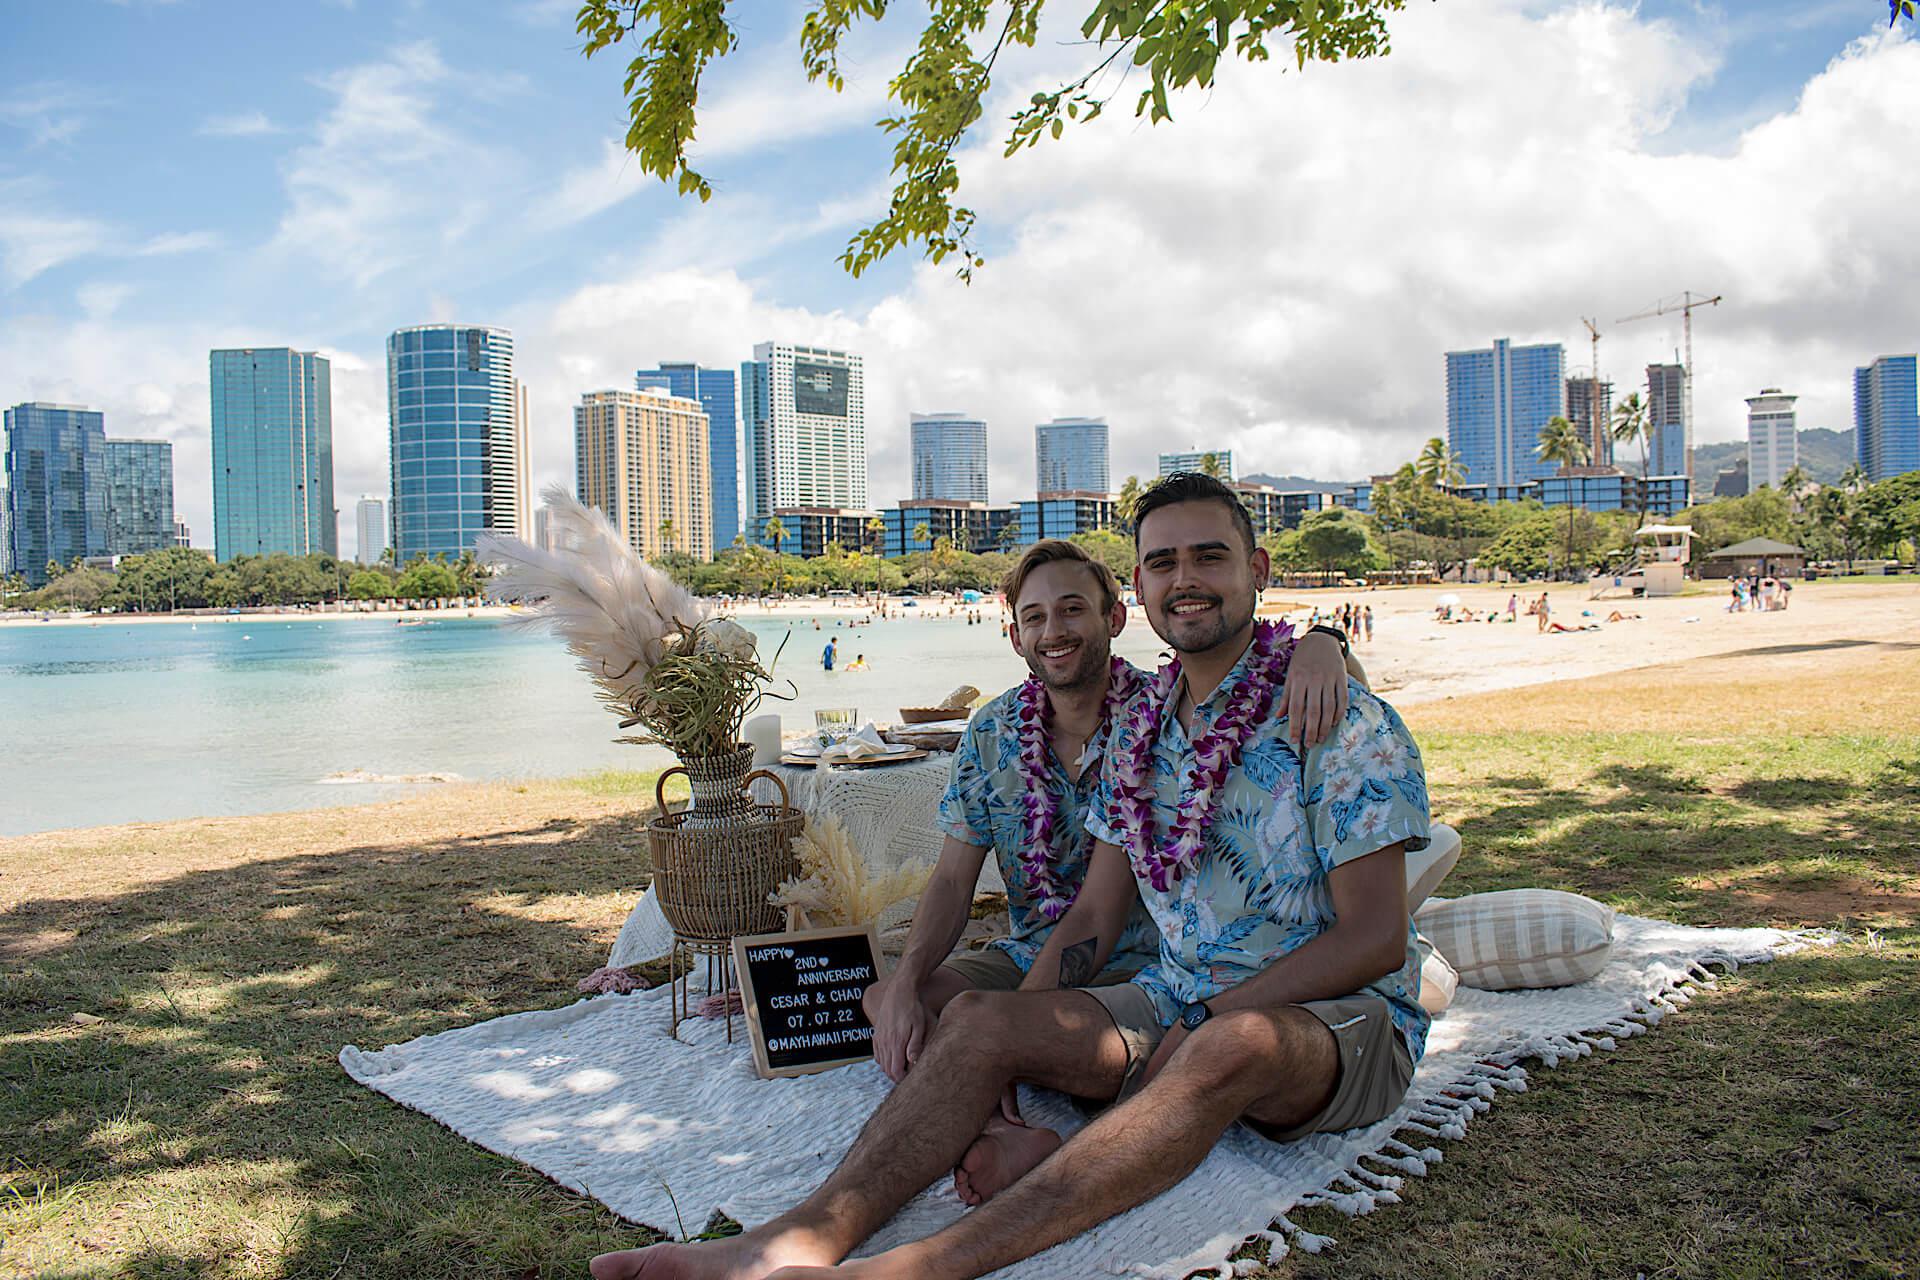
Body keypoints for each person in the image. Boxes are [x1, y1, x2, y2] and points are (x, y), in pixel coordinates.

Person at [588, 475, 1429, 1280]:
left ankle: (914, 1269)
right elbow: (1098, 909)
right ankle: (785, 1241)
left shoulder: (1338, 717)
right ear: (1139, 585)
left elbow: (1374, 938)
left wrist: (1326, 641)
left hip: (1332, 1026)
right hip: (1173, 998)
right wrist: (1010, 1026)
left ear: (1258, 571)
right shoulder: (1141, 729)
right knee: (981, 1019)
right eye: (1165, 563)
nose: (1187, 580)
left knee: (1232, 1043)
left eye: (1210, 556)